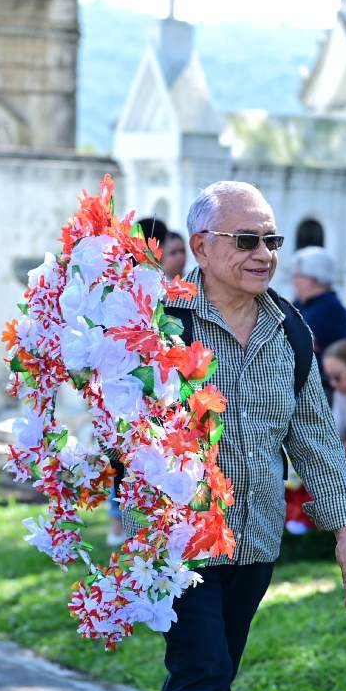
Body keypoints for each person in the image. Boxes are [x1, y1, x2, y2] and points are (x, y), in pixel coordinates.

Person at [128, 181, 346, 691]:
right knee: (202, 675)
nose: (263, 253)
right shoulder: (159, 322)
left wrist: (345, 529)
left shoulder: (291, 329)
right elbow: (113, 416)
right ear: (201, 248)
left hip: (256, 538)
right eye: (246, 240)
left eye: (271, 240)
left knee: (202, 678)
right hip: (178, 542)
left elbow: (316, 440)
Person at [108, 223, 186, 547]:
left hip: (164, 400)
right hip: (133, 397)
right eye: (172, 251)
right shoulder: (124, 294)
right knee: (132, 460)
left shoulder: (177, 298)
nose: (178, 258)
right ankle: (134, 527)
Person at [290, 246, 346, 388]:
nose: (294, 282)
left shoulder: (329, 308)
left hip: (321, 387)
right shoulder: (301, 303)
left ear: (313, 279)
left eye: (298, 276)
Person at [322, 338, 346, 494]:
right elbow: (332, 437)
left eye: (337, 377)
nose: (333, 384)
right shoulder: (342, 394)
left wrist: (344, 447)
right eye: (329, 378)